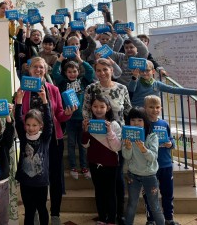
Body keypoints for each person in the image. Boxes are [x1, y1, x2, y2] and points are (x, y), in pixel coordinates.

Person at [20, 57, 76, 225]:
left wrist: (68, 113)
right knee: (32, 175)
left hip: (53, 139)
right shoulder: (23, 91)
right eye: (35, 67)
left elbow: (59, 113)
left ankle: (55, 213)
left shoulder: (53, 89)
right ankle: (34, 211)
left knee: (55, 177)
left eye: (41, 67)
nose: (38, 70)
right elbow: (21, 115)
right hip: (31, 140)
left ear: (45, 70)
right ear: (29, 70)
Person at [83, 58, 132, 225]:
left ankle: (119, 213)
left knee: (117, 179)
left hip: (117, 138)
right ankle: (104, 214)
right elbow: (86, 111)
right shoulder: (91, 88)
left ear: (112, 70)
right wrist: (89, 129)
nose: (102, 73)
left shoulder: (122, 88)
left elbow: (128, 111)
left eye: (105, 69)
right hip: (97, 139)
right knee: (103, 183)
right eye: (98, 70)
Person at [53, 50, 95, 180]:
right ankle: (73, 167)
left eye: (74, 71)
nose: (72, 74)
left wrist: (80, 60)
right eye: (69, 72)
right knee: (71, 144)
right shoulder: (62, 82)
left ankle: (84, 167)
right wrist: (60, 60)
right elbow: (55, 72)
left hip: (83, 119)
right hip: (70, 119)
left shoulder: (83, 81)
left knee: (83, 145)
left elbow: (90, 72)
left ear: (78, 72)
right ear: (65, 73)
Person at [14, 88, 54, 225]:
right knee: (29, 211)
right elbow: (18, 121)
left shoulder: (45, 138)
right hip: (26, 183)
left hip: (41, 183)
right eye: (28, 125)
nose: (31, 128)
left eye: (34, 125)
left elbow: (49, 122)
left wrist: (45, 101)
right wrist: (18, 100)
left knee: (42, 209)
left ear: (40, 126)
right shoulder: (23, 137)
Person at [81, 95, 122, 224]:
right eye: (95, 106)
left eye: (102, 106)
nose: (98, 109)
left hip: (110, 164)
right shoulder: (89, 123)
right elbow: (85, 144)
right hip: (94, 162)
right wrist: (85, 131)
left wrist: (109, 131)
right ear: (91, 107)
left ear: (108, 108)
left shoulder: (114, 124)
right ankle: (102, 218)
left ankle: (111, 220)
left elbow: (117, 146)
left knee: (110, 192)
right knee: (99, 191)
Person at [122, 107, 165, 225]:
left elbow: (152, 157)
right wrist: (129, 147)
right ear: (128, 121)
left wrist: (143, 149)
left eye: (140, 120)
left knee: (154, 205)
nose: (136, 123)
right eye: (133, 120)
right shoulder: (127, 136)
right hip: (133, 175)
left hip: (149, 176)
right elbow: (126, 156)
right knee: (132, 204)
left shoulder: (152, 136)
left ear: (145, 121)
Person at [143, 96, 179, 225]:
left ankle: (169, 218)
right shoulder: (144, 125)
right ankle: (151, 219)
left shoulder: (164, 124)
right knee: (150, 194)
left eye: (157, 107)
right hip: (149, 166)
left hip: (165, 164)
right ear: (145, 108)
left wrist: (171, 143)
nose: (154, 110)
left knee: (168, 193)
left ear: (161, 108)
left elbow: (171, 139)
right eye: (151, 107)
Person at [128, 60, 197, 107]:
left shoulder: (157, 84)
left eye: (147, 70)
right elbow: (131, 89)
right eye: (142, 71)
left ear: (153, 71)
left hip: (152, 111)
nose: (144, 73)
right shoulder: (137, 81)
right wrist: (134, 77)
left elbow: (175, 89)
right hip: (138, 111)